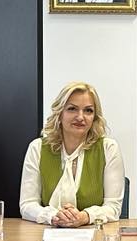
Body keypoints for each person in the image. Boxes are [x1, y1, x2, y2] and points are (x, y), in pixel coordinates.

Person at [19, 82, 125, 227]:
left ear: (94, 117)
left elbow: (113, 207)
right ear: (59, 113)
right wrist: (53, 216)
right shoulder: (37, 148)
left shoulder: (108, 148)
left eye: (88, 111)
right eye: (72, 109)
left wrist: (84, 217)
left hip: (94, 233)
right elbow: (27, 204)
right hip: (46, 233)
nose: (80, 117)